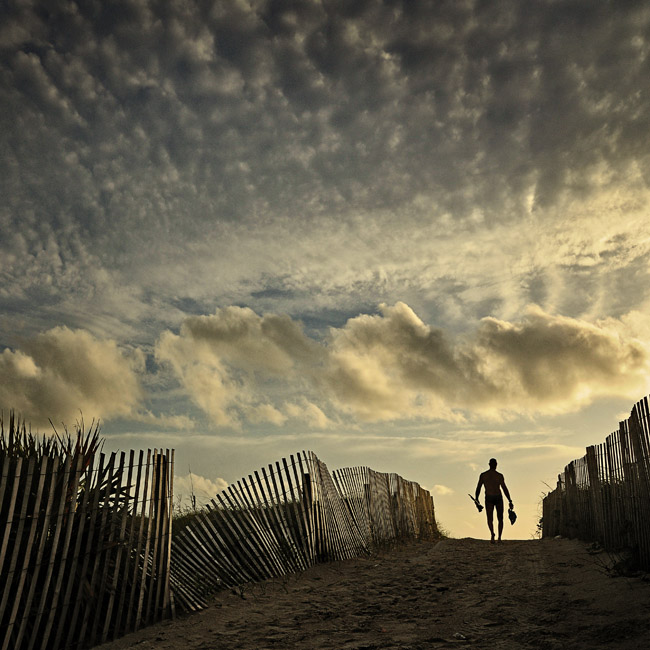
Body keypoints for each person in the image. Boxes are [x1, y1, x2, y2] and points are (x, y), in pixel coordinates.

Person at [474, 458, 513, 543]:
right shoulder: (497, 475)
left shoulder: (485, 475)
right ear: (495, 465)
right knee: (497, 518)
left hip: (492, 497)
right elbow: (504, 488)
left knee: (492, 518)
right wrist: (509, 500)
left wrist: (476, 499)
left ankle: (495, 535)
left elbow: (478, 488)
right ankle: (496, 536)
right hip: (495, 497)